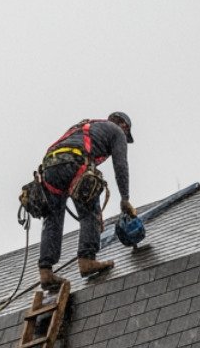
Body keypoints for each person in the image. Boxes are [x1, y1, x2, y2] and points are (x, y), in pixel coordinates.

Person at [34, 112, 135, 289]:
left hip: (49, 167)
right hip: (75, 163)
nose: (124, 139)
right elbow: (121, 166)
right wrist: (125, 199)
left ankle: (46, 272)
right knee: (89, 208)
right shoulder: (117, 131)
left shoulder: (83, 127)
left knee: (53, 217)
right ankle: (87, 260)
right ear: (124, 126)